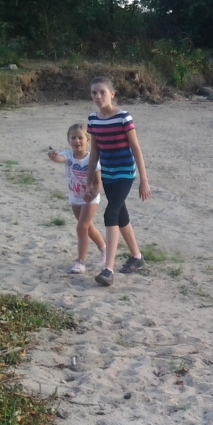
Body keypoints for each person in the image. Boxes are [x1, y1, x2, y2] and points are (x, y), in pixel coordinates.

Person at [84, 76, 152, 286]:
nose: (98, 96)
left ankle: (108, 270)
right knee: (121, 215)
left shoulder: (124, 117)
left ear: (112, 94)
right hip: (107, 174)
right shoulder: (93, 120)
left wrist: (144, 180)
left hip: (125, 173)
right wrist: (89, 182)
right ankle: (136, 257)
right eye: (94, 93)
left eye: (102, 92)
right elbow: (94, 153)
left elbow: (135, 148)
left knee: (111, 213)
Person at [48, 123, 106, 274]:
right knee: (88, 227)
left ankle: (81, 262)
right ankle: (104, 248)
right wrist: (54, 157)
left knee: (81, 227)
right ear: (68, 140)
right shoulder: (68, 155)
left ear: (88, 140)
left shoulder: (92, 159)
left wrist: (92, 194)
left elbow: (98, 182)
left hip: (90, 199)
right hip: (75, 198)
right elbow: (60, 158)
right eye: (73, 138)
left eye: (80, 138)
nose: (77, 141)